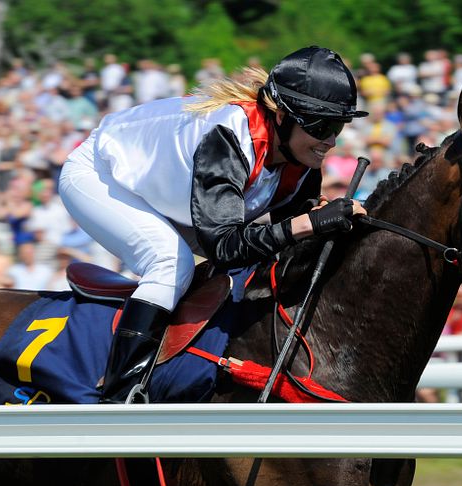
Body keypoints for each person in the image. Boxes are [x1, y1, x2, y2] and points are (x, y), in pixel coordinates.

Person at [58, 46, 368, 403]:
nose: (331, 141)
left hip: (175, 199)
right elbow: (226, 246)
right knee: (170, 263)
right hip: (98, 173)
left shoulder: (301, 156)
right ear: (281, 116)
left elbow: (287, 235)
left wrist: (323, 223)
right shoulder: (229, 136)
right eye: (321, 126)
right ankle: (118, 397)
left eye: (338, 126)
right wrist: (308, 224)